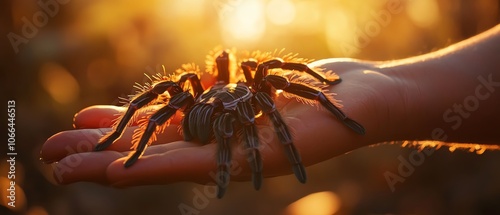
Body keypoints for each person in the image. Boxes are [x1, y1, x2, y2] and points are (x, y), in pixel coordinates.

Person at [41, 24, 500, 187]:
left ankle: (128, 142)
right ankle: (126, 142)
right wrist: (127, 137)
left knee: (258, 76)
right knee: (178, 87)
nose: (267, 86)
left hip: (216, 111)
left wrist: (327, 89)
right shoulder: (239, 97)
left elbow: (275, 86)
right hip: (213, 113)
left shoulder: (256, 93)